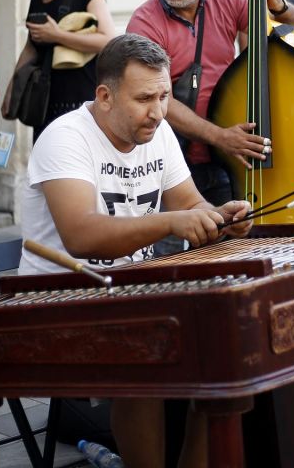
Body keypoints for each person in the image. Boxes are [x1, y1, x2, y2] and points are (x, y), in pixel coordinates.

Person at [17, 34, 252, 468]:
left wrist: (221, 218)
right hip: (60, 298)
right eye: (145, 98)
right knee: (147, 351)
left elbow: (189, 204)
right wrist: (169, 222)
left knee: (230, 348)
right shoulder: (65, 138)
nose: (158, 112)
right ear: (104, 96)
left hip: (128, 292)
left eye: (164, 96)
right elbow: (81, 235)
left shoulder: (157, 131)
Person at [126, 0, 294, 215]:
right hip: (168, 161)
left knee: (229, 245)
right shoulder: (144, 22)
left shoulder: (228, 2)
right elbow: (156, 99)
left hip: (225, 159)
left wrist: (277, 3)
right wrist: (220, 136)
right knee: (168, 254)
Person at [4, 0, 116, 141]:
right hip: (44, 102)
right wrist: (11, 91)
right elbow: (31, 47)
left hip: (80, 102)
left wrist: (57, 36)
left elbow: (108, 40)